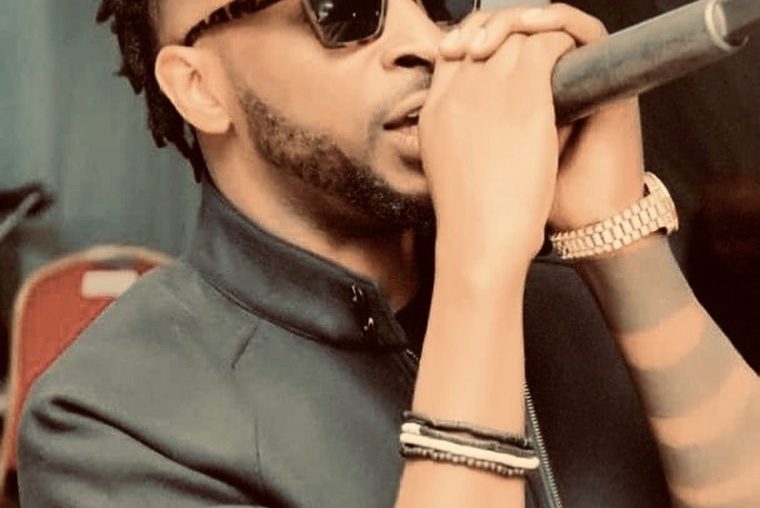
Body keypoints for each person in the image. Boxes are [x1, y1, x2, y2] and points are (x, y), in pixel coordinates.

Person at [17, 0, 759, 507]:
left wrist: (618, 240)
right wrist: (478, 272)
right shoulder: (106, 423)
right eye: (345, 10)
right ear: (201, 88)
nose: (426, 43)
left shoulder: (563, 296)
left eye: (434, 2)